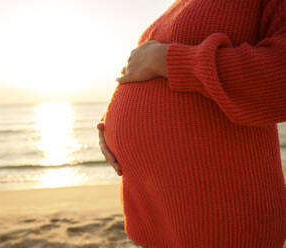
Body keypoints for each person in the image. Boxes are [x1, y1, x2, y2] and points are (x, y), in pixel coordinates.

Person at [98, 0, 286, 247]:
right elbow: (139, 74)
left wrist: (166, 59)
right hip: (155, 212)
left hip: (219, 217)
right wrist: (108, 122)